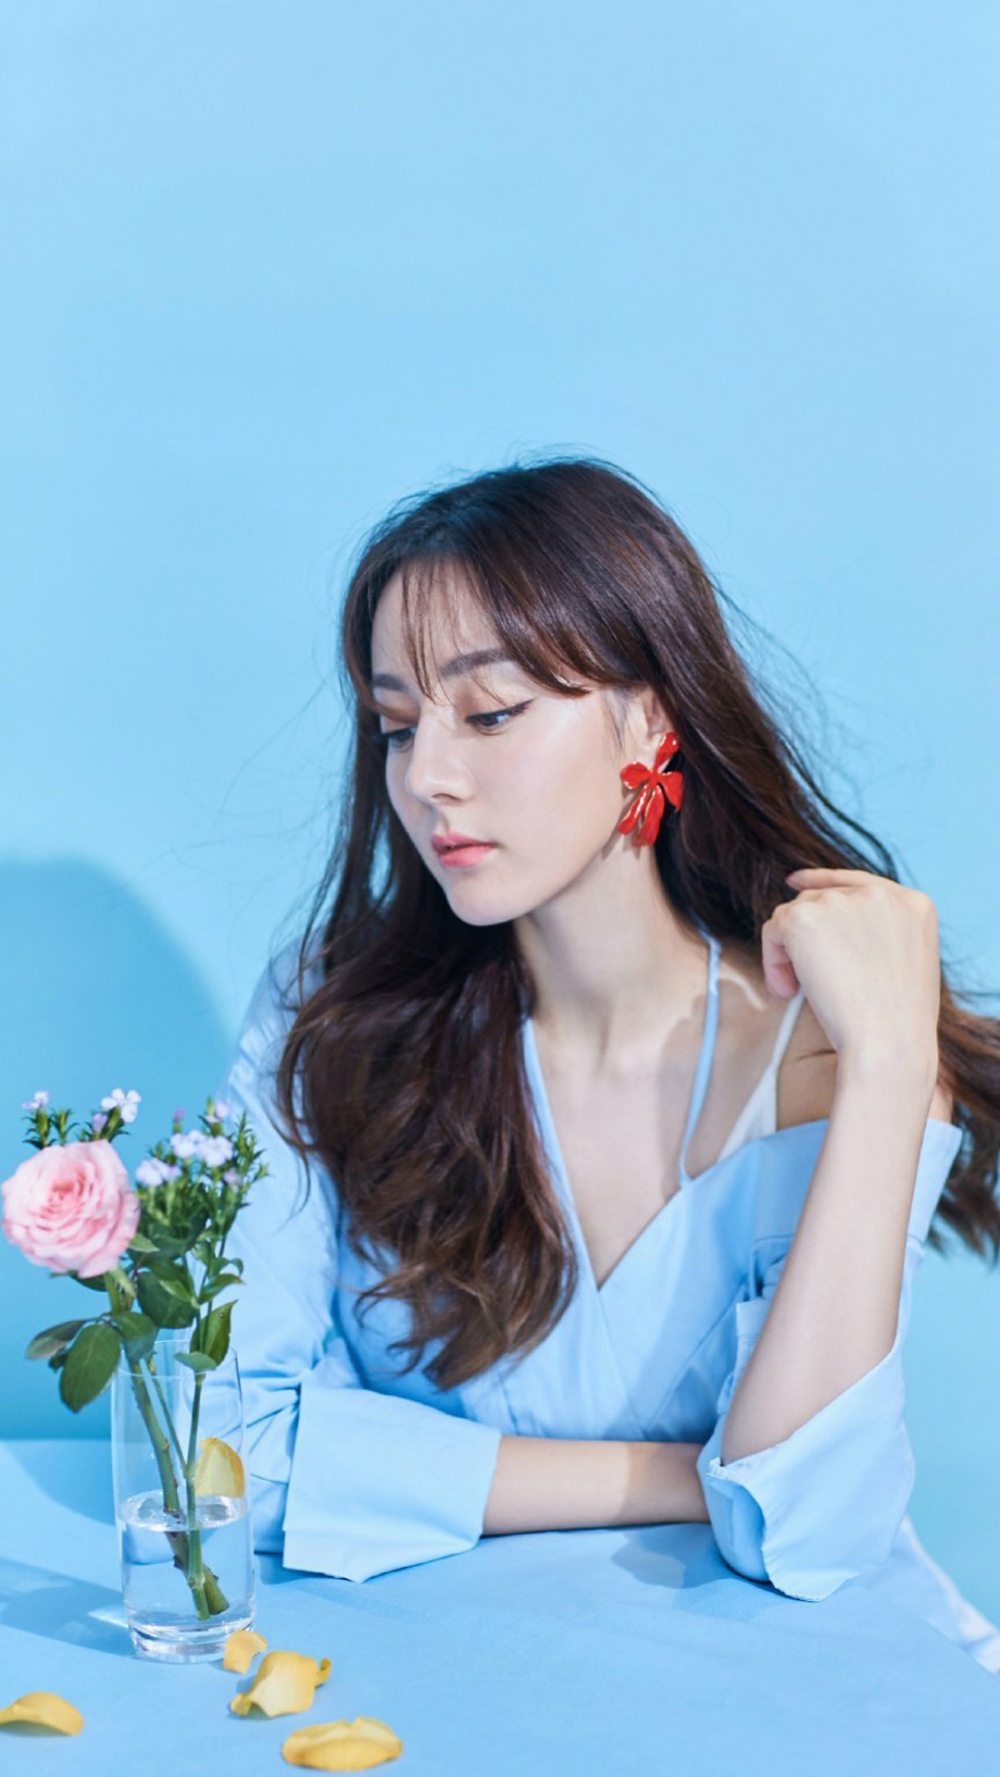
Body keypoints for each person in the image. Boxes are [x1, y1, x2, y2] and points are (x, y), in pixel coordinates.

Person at [217, 455, 1000, 1673]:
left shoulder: (820, 1054)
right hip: (429, 1680)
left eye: (490, 712)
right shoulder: (333, 1014)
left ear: (649, 717)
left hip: (775, 1697)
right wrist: (689, 1478)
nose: (427, 776)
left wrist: (895, 1068)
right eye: (396, 724)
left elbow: (803, 1530)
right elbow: (220, 1452)